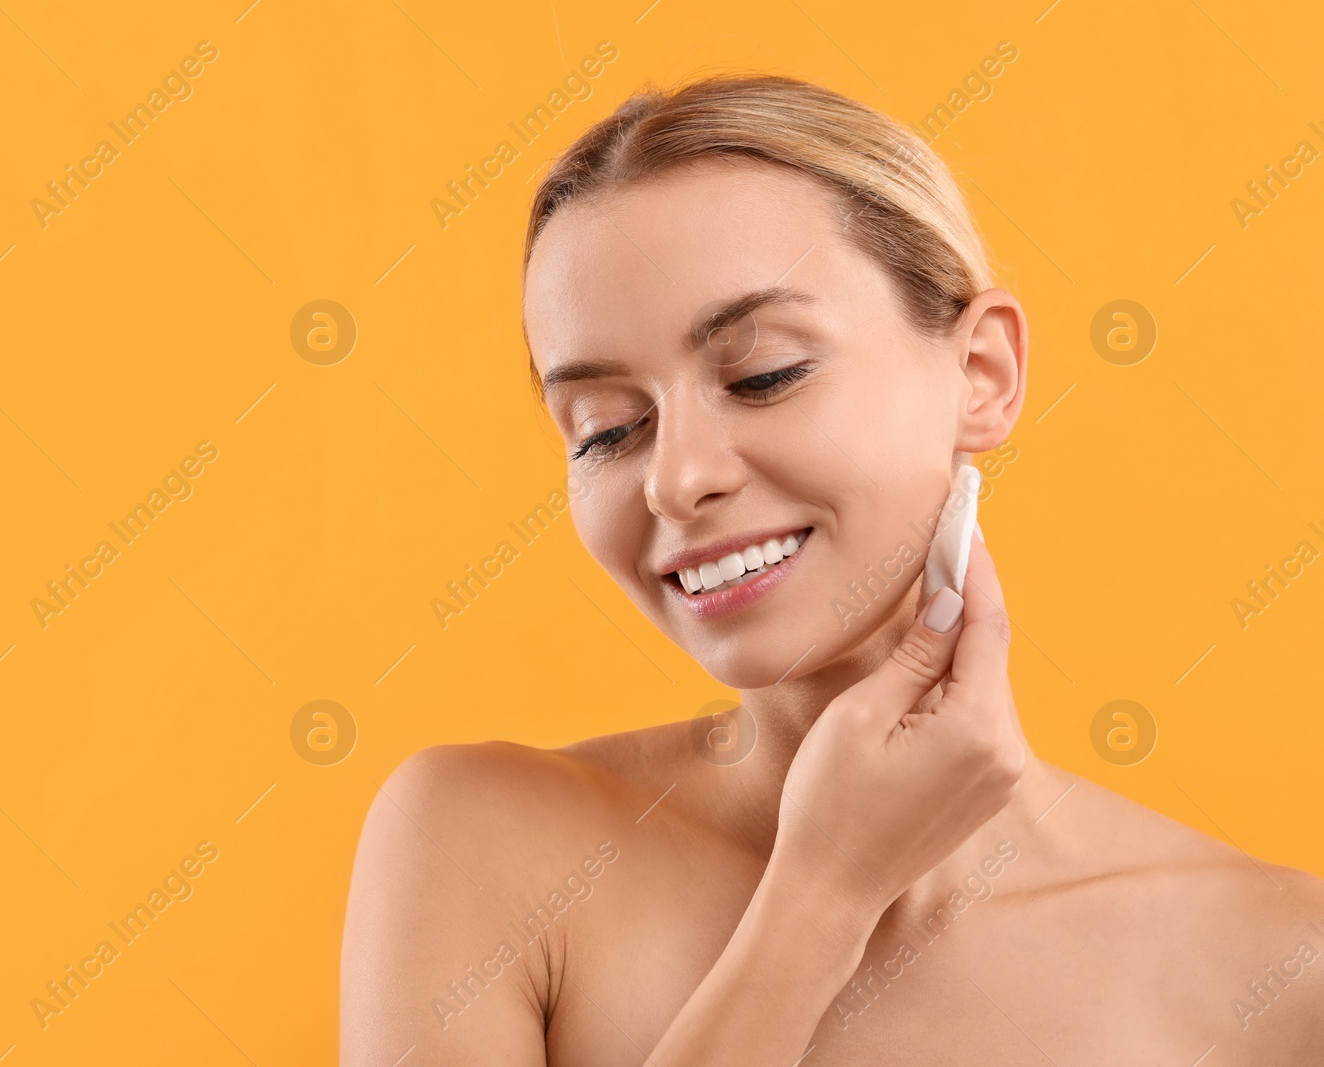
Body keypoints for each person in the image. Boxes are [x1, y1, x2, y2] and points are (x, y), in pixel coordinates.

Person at [340, 74, 1324, 1064]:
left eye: (763, 374)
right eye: (607, 430)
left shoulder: (1281, 966)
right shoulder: (477, 844)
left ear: (981, 373)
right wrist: (816, 902)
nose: (674, 479)